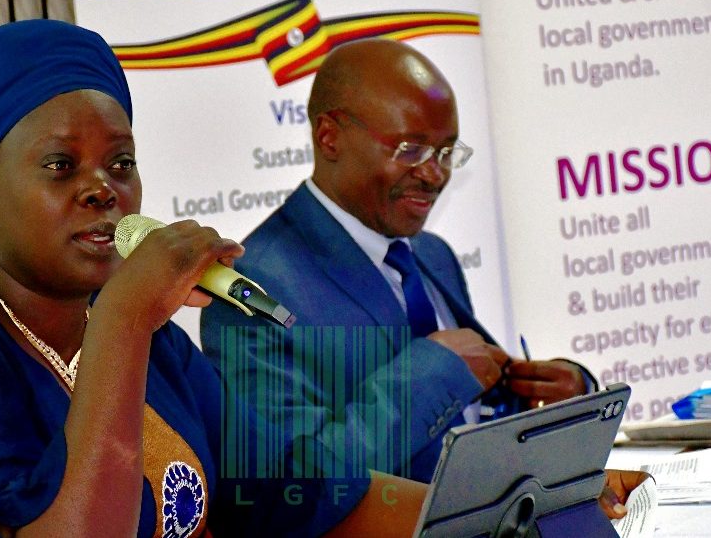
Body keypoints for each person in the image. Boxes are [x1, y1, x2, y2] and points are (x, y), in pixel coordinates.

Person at [0, 20, 431, 537]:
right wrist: (125, 315)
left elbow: (287, 496)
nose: (103, 189)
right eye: (61, 165)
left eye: (120, 163)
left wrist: (463, 511)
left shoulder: (141, 333)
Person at [200, 38, 598, 483]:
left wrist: (564, 394)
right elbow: (296, 481)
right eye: (410, 150)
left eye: (446, 153)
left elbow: (472, 410)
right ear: (330, 137)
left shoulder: (432, 254)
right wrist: (437, 372)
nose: (434, 174)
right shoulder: (254, 286)